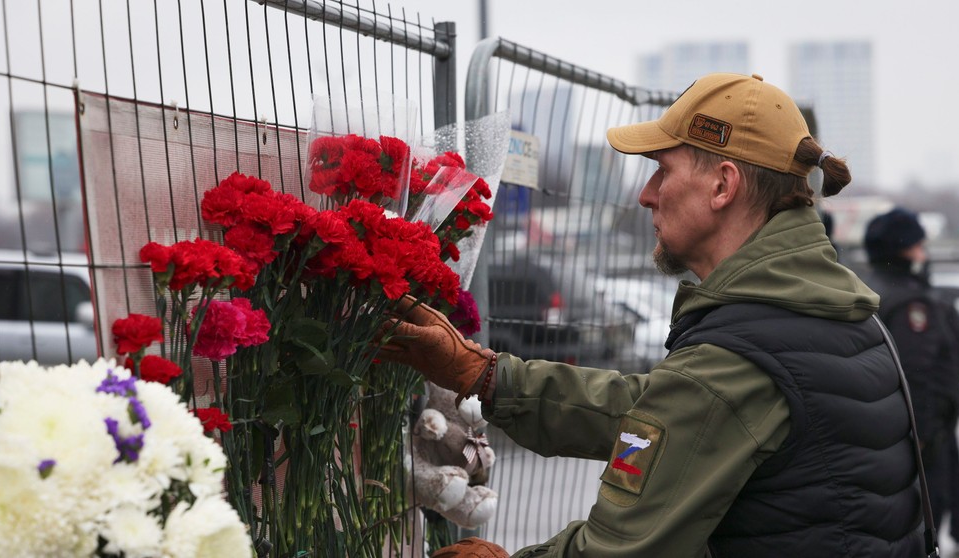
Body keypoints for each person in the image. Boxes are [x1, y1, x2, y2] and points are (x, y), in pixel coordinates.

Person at [380, 73, 924, 557]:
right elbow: (662, 414)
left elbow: (622, 544)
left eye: (663, 171)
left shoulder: (736, 361)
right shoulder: (835, 315)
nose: (645, 195)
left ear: (723, 185)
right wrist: (490, 377)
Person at [859, 207, 959, 550]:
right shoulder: (911, 301)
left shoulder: (869, 288)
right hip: (923, 439)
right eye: (919, 245)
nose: (924, 253)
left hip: (889, 436)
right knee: (926, 520)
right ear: (904, 249)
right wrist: (924, 434)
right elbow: (917, 372)